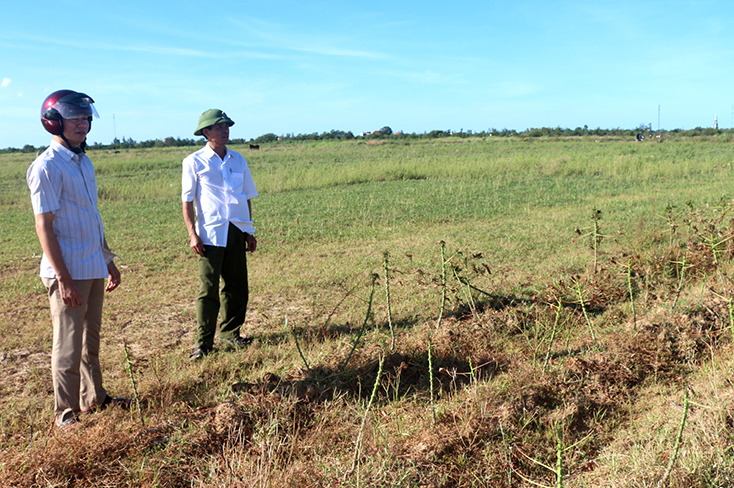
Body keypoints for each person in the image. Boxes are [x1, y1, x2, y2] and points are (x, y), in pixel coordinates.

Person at [27, 90, 129, 429]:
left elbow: (90, 217)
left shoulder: (83, 162)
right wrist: (63, 278)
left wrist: (108, 259)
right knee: (68, 345)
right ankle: (65, 413)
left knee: (90, 340)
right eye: (74, 118)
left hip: (92, 264)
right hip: (67, 269)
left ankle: (94, 398)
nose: (82, 124)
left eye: (85, 118)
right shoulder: (47, 166)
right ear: (53, 122)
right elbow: (44, 226)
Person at [182, 109, 258, 360]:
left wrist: (249, 230)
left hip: (237, 230)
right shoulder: (194, 161)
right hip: (210, 234)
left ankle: (231, 334)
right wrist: (193, 234)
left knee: (237, 287)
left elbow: (246, 197)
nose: (225, 130)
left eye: (227, 126)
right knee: (209, 289)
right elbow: (187, 202)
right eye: (219, 126)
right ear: (206, 132)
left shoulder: (239, 160)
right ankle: (203, 343)